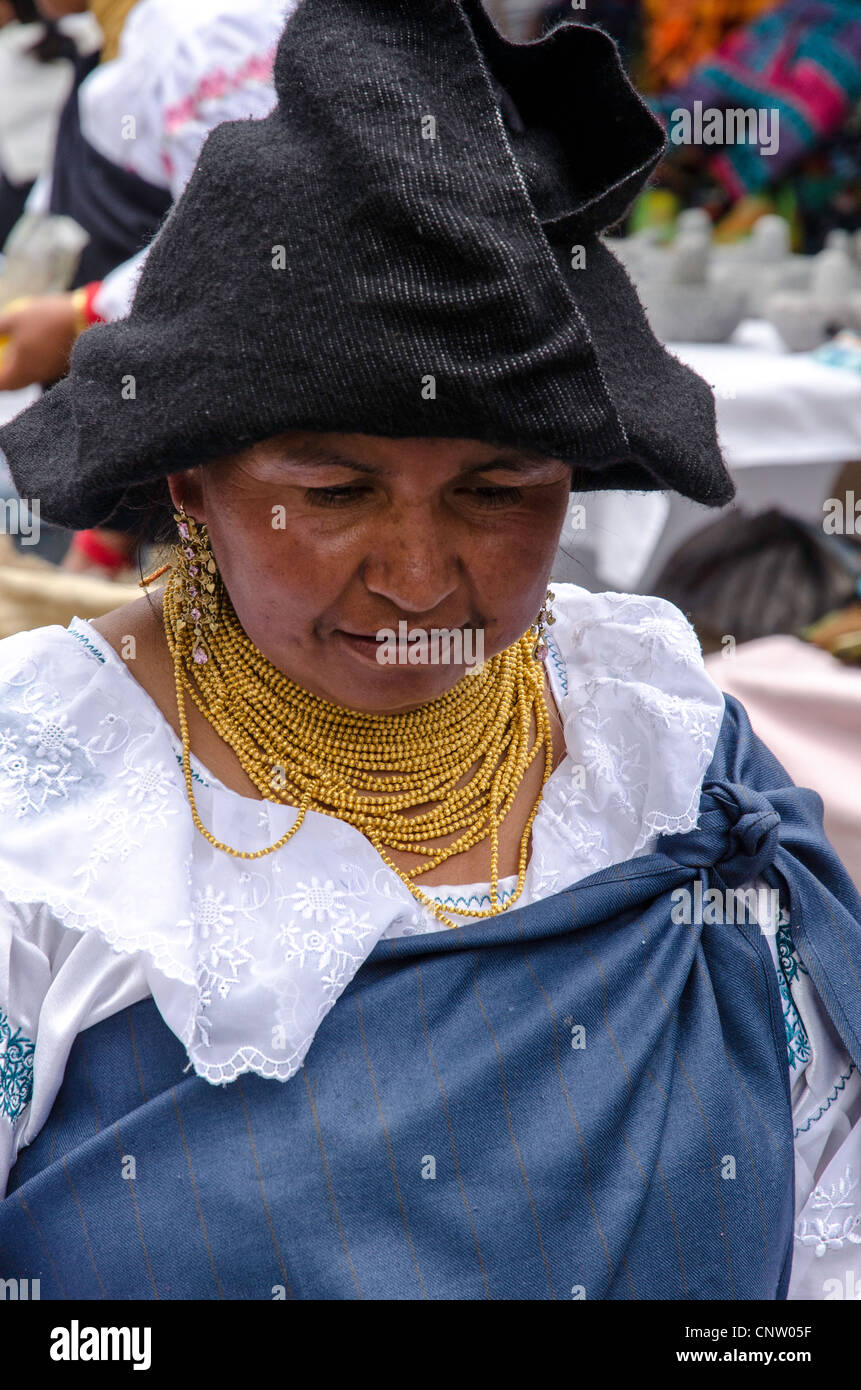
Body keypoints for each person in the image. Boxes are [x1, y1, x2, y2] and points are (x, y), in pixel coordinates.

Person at [0, 0, 860, 1301]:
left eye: (496, 489)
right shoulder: (41, 803)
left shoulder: (664, 739)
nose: (416, 576)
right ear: (188, 484)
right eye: (332, 494)